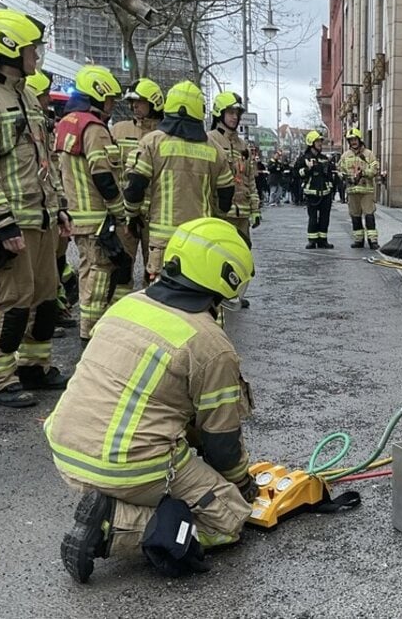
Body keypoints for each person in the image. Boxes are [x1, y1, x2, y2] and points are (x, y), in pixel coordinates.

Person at [46, 217, 258, 582]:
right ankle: (114, 525)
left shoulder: (129, 304)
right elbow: (220, 443)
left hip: (66, 448)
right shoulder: (208, 343)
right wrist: (241, 485)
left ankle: (113, 503)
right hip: (127, 465)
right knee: (228, 518)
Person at [0, 9, 72, 408]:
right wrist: (2, 223)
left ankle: (33, 367)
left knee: (45, 296)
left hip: (40, 217)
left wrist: (59, 208)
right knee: (9, 302)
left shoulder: (25, 94)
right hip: (10, 221)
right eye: (31, 49)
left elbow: (43, 157)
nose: (37, 56)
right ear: (9, 48)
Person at [124, 81, 235, 281]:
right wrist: (217, 217)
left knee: (162, 300)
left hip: (163, 240)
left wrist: (131, 214)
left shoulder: (152, 142)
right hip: (201, 239)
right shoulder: (215, 149)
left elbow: (134, 185)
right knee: (200, 291)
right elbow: (226, 193)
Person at [55, 65, 130, 342]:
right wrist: (121, 212)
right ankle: (94, 334)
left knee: (88, 272)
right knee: (99, 275)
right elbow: (103, 176)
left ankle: (90, 328)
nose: (111, 106)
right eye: (109, 99)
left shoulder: (67, 124)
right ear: (97, 95)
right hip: (98, 217)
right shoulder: (94, 128)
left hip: (79, 215)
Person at [25, 69, 78, 332]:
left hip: (51, 208)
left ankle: (56, 309)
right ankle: (44, 318)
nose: (48, 100)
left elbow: (52, 169)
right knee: (40, 274)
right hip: (36, 212)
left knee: (54, 267)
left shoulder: (44, 126)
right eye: (45, 95)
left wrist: (59, 205)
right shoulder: (31, 129)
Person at [110, 78, 164, 279]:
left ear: (154, 103)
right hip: (126, 213)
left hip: (155, 215)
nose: (134, 106)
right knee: (121, 268)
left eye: (139, 101)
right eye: (132, 102)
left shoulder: (164, 135)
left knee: (155, 272)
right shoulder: (118, 130)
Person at [207, 92, 261, 240]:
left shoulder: (242, 145)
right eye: (231, 112)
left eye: (237, 113)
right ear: (219, 112)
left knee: (242, 259)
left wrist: (255, 208)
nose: (235, 117)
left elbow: (250, 179)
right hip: (219, 215)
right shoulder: (209, 140)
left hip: (242, 216)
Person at [338, 128, 379, 249]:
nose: (353, 142)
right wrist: (343, 176)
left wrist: (364, 173)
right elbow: (340, 170)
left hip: (366, 190)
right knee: (355, 216)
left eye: (355, 139)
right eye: (350, 140)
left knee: (369, 215)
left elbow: (375, 170)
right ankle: (358, 240)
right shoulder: (345, 156)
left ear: (359, 140)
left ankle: (373, 241)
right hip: (352, 191)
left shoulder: (369, 154)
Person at [294, 130, 335, 249]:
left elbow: (330, 174)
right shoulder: (304, 158)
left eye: (321, 142)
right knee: (312, 218)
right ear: (311, 143)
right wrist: (308, 169)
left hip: (325, 192)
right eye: (318, 142)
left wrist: (331, 185)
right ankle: (312, 240)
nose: (320, 144)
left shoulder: (324, 158)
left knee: (324, 218)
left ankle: (323, 240)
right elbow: (296, 173)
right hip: (311, 193)